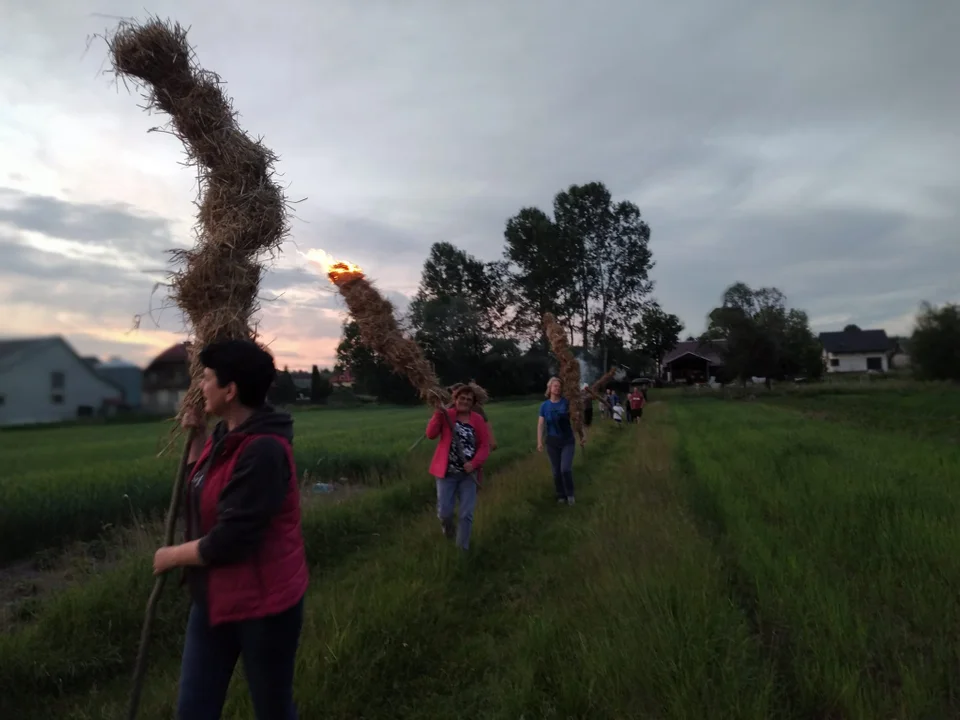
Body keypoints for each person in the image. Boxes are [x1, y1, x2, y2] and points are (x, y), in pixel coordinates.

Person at [151, 339, 308, 720]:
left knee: (272, 709)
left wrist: (171, 556)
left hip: (263, 606)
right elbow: (202, 486)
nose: (200, 386)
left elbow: (233, 538)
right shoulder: (225, 435)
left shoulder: (264, 450)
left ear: (231, 389)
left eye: (207, 378)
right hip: (213, 599)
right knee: (193, 710)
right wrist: (197, 438)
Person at [426, 383, 491, 550]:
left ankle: (462, 549)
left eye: (469, 399)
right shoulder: (447, 415)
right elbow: (431, 434)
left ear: (473, 403)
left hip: (468, 475)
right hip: (446, 473)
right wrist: (437, 414)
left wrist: (474, 463)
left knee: (466, 514)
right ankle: (449, 532)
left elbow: (485, 445)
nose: (465, 401)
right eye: (462, 398)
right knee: (444, 513)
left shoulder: (477, 419)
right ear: (455, 399)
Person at [538, 376, 582, 506]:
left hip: (567, 440)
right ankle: (560, 495)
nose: (557, 388)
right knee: (556, 471)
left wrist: (582, 435)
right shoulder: (544, 406)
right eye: (555, 386)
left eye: (559, 386)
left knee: (565, 469)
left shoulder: (567, 403)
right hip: (552, 442)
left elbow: (575, 420)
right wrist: (539, 441)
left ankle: (570, 494)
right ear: (550, 388)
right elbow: (541, 424)